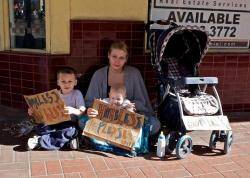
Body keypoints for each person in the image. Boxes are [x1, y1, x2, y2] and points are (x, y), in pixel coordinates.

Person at [85, 40, 161, 136]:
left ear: (126, 59)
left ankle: (112, 137)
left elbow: (142, 101)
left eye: (121, 58)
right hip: (105, 119)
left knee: (154, 124)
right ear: (108, 55)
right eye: (114, 56)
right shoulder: (99, 74)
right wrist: (92, 110)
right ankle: (121, 137)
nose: (117, 61)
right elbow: (89, 102)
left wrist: (130, 108)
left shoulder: (134, 73)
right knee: (83, 122)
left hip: (128, 118)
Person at [27, 66, 86, 150]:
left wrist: (74, 110)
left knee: (70, 131)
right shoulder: (54, 95)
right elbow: (43, 111)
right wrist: (33, 111)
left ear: (75, 82)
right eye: (63, 81)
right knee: (41, 126)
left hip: (68, 123)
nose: (66, 84)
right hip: (53, 122)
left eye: (70, 81)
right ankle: (66, 142)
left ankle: (40, 141)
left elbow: (82, 111)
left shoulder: (77, 94)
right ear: (58, 82)